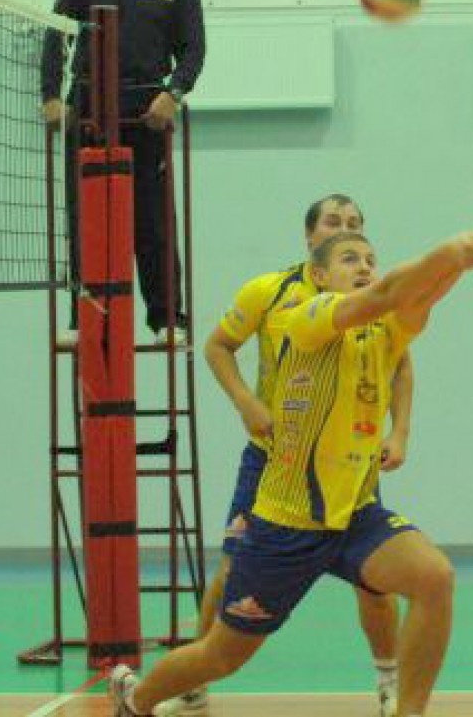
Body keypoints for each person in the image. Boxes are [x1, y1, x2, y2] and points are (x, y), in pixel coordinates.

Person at [110, 229, 473, 717]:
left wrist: (460, 266)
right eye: (349, 259)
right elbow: (392, 291)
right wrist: (455, 251)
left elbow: (416, 295)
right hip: (286, 526)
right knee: (222, 655)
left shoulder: (385, 329)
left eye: (370, 259)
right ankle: (135, 698)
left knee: (434, 578)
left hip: (353, 517)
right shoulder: (308, 317)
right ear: (319, 275)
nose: (364, 266)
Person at [170, 195, 412, 716]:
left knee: (375, 583)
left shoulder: (370, 298)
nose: (343, 229)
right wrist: (247, 403)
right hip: (272, 461)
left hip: (347, 467)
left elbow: (399, 365)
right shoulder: (270, 291)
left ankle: (390, 682)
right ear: (310, 236)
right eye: (333, 222)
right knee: (231, 569)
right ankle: (193, 678)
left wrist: (400, 432)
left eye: (354, 224)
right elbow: (217, 346)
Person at [41, 0, 205, 343]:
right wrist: (51, 96)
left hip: (146, 110)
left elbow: (193, 51)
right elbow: (56, 35)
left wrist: (173, 93)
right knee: (84, 217)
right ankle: (84, 318)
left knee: (153, 220)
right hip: (89, 108)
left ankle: (166, 319)